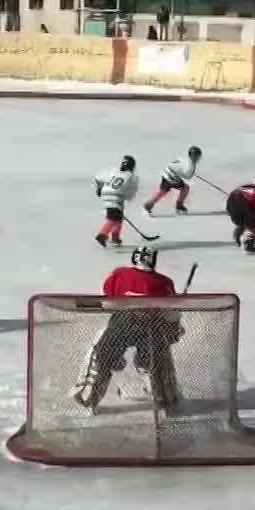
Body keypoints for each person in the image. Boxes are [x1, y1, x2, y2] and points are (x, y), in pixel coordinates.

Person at [73, 246, 183, 411]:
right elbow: (171, 312)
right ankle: (163, 393)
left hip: (122, 323)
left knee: (102, 351)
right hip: (151, 328)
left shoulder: (119, 274)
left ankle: (89, 392)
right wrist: (174, 329)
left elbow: (110, 295)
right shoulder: (164, 282)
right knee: (157, 356)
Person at [93, 155, 139, 248]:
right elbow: (131, 192)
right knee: (113, 218)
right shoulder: (130, 176)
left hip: (106, 194)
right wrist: (128, 197)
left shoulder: (114, 171)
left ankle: (115, 238)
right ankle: (102, 234)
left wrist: (99, 188)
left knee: (118, 218)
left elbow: (98, 178)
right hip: (117, 196)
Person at [144, 146, 203, 215]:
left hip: (167, 172)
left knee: (165, 191)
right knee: (182, 188)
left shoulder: (185, 159)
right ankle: (178, 206)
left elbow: (176, 163)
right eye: (198, 156)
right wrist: (191, 173)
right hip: (171, 176)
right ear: (194, 156)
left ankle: (148, 205)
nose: (199, 158)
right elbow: (187, 176)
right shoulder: (192, 165)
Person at [225, 177, 255, 254]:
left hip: (239, 210)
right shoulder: (250, 191)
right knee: (249, 224)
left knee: (248, 224)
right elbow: (237, 196)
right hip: (236, 208)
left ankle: (245, 240)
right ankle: (247, 242)